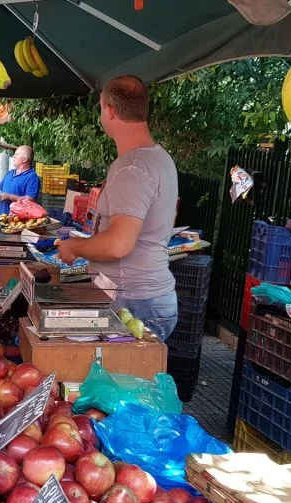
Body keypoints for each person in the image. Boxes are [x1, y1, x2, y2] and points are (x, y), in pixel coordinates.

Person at [57, 75, 179, 341]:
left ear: (109, 111)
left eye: (101, 108)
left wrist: (73, 247)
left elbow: (118, 245)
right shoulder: (157, 158)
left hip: (135, 300)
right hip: (145, 297)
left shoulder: (133, 168)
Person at [0, 145, 40, 215]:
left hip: (17, 221)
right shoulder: (10, 173)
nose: (13, 157)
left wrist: (10, 196)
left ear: (25, 159)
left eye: (16, 154)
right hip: (1, 217)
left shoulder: (32, 177)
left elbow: (30, 200)